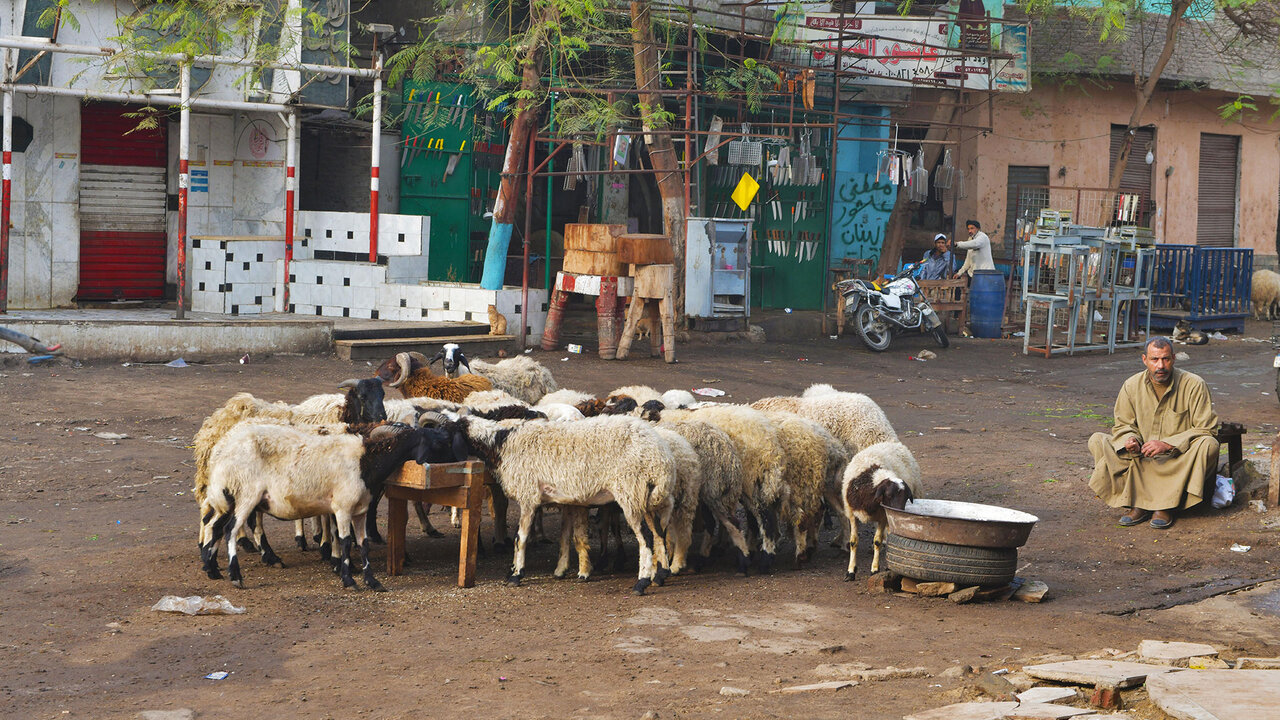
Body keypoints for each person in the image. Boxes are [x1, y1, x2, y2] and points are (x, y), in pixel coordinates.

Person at [1087, 337, 1220, 530]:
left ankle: (1163, 506)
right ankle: (1139, 503)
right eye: (1155, 359)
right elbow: (1123, 424)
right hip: (1142, 456)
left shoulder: (1194, 385)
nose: (1161, 366)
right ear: (1144, 360)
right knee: (1098, 440)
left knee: (1209, 445)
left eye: (1165, 359)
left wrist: (1168, 444)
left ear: (1174, 358)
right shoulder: (1131, 385)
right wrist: (1130, 440)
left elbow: (1206, 428)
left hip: (1176, 459)